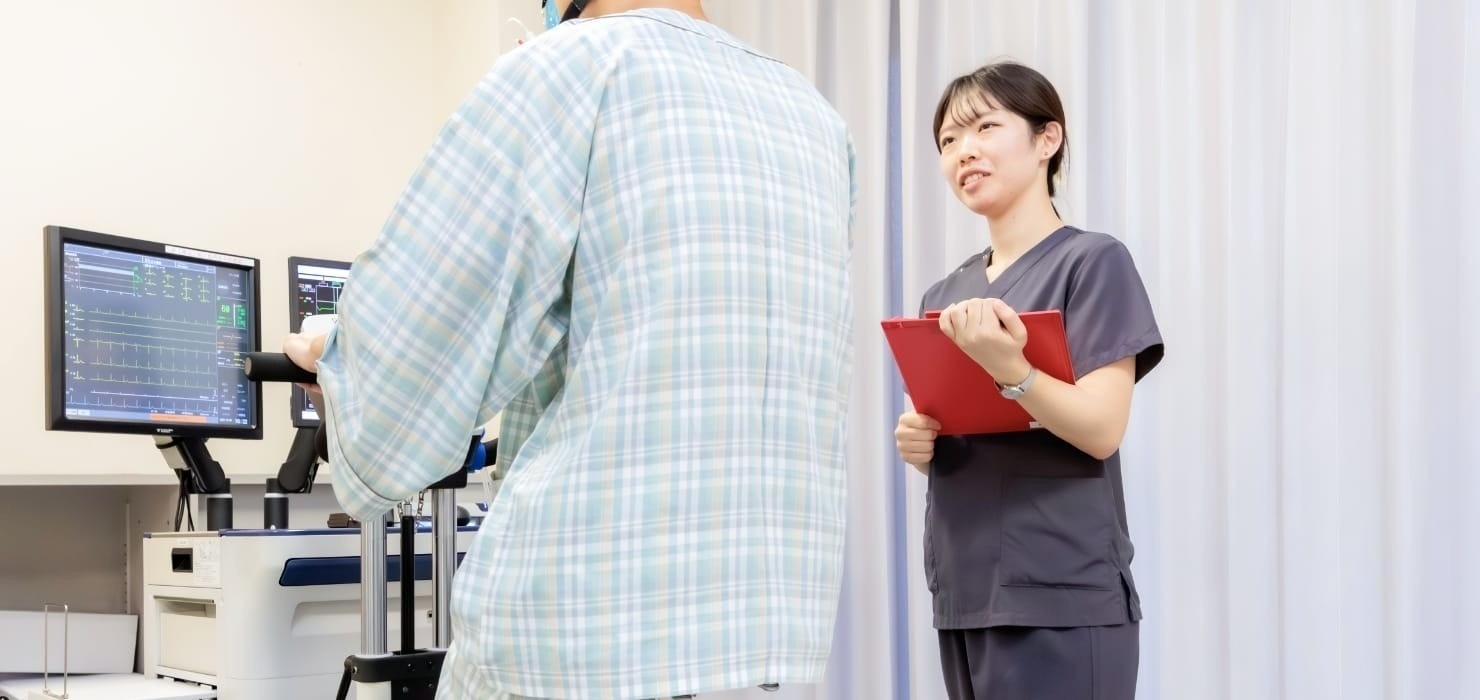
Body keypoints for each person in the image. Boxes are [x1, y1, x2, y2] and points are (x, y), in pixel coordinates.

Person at [283, 1, 857, 698]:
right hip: (758, 634)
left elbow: (410, 369)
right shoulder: (814, 118)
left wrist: (333, 357)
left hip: (578, 633)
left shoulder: (562, 70)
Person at [894, 62, 1164, 700]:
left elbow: (1101, 429)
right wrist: (918, 442)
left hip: (1061, 591)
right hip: (965, 590)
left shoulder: (1092, 263)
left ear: (1048, 139)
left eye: (985, 127)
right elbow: (955, 430)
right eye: (948, 140)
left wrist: (1012, 370)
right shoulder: (944, 295)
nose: (964, 151)